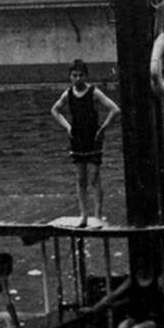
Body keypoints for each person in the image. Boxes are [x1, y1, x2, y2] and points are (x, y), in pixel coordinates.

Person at [50, 58, 120, 227]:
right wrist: (67, 127)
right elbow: (55, 110)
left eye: (81, 75)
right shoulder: (68, 94)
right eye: (74, 75)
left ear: (86, 76)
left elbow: (115, 109)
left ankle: (98, 214)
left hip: (93, 138)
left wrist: (103, 128)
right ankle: (84, 214)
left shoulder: (94, 92)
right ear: (70, 77)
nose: (78, 78)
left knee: (95, 176)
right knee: (80, 177)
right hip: (77, 138)